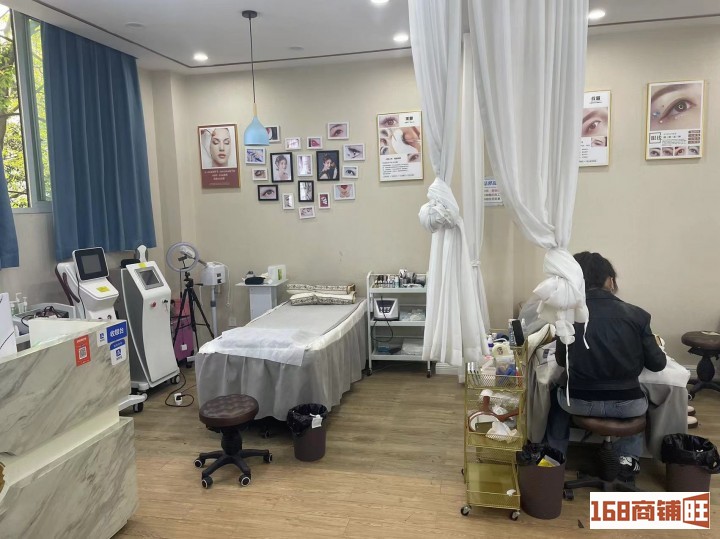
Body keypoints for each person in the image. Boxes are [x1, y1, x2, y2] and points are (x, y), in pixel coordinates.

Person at [545, 251, 667, 481]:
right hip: (627, 406)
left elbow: (562, 361)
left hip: (578, 403)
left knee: (555, 396)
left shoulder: (567, 317)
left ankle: (553, 458)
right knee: (646, 396)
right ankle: (627, 460)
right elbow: (658, 364)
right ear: (610, 281)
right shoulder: (638, 316)